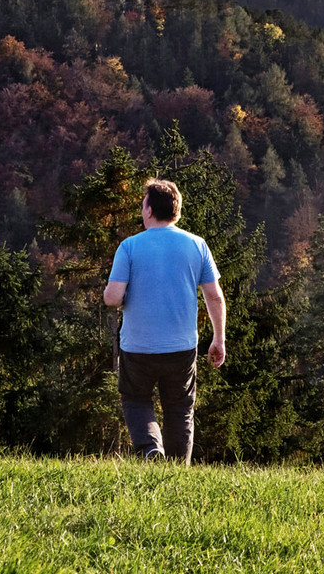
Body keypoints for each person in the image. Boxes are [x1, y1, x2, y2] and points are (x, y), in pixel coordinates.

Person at [103, 179, 226, 462]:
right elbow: (215, 297)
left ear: (149, 210)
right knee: (180, 409)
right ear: (177, 211)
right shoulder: (197, 245)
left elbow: (113, 297)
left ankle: (150, 449)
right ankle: (176, 470)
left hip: (138, 346)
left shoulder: (129, 247)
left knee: (136, 400)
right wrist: (218, 339)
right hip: (181, 347)